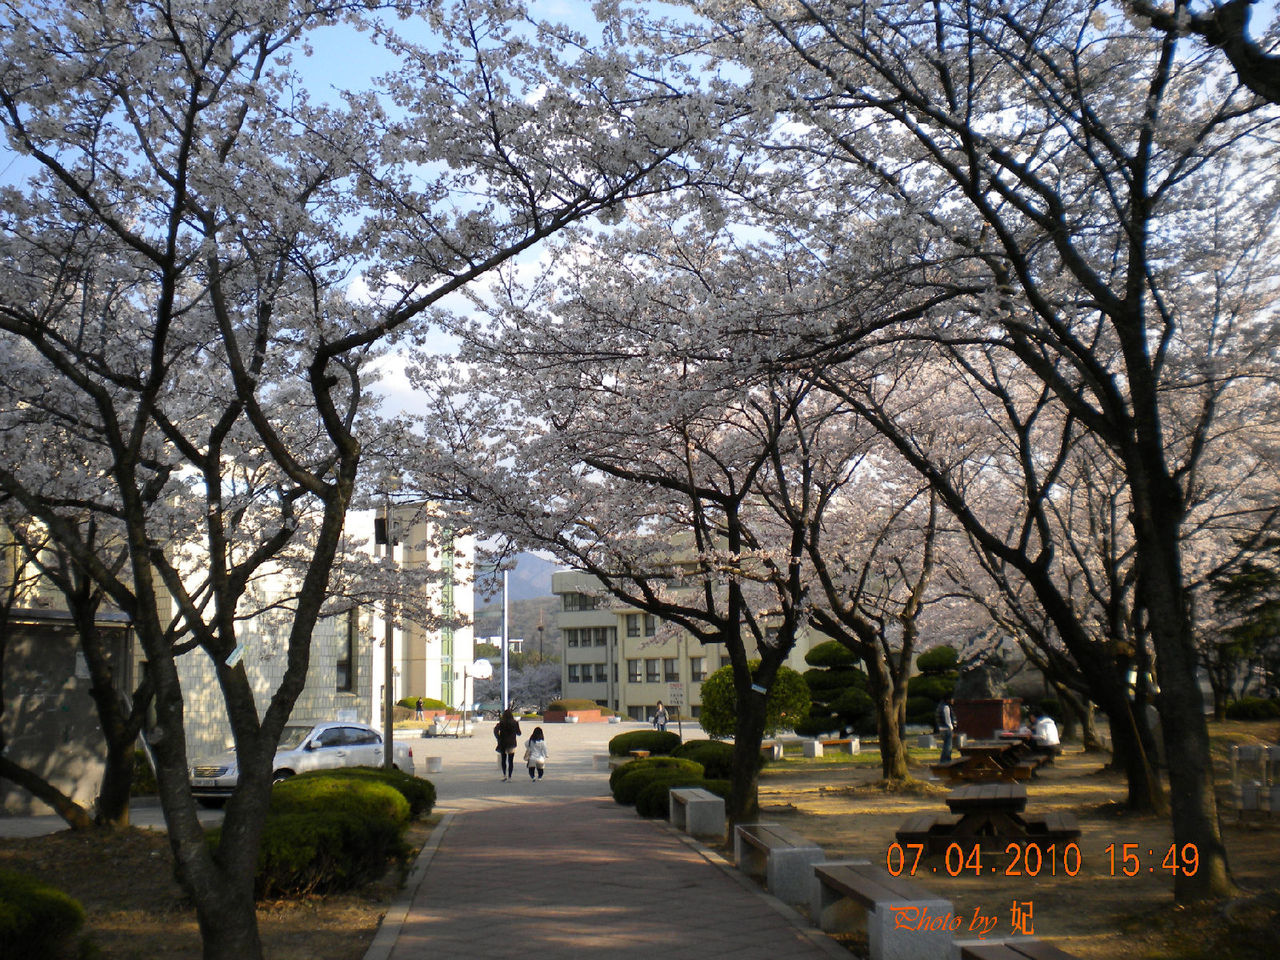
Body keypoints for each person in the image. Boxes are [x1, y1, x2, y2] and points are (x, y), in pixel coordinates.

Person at [494, 708, 522, 781]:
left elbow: (495, 730)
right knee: (510, 760)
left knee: (503, 759)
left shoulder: (501, 722)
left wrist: (498, 737)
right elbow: (519, 733)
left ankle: (504, 775)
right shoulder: (515, 723)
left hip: (503, 742)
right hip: (512, 743)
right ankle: (510, 776)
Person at [935, 695, 955, 762]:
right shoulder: (946, 707)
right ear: (948, 700)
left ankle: (943, 760)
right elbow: (948, 720)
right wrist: (951, 728)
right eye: (952, 699)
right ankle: (946, 760)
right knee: (948, 746)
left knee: (945, 745)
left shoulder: (940, 706)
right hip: (947, 729)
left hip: (941, 729)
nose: (953, 700)